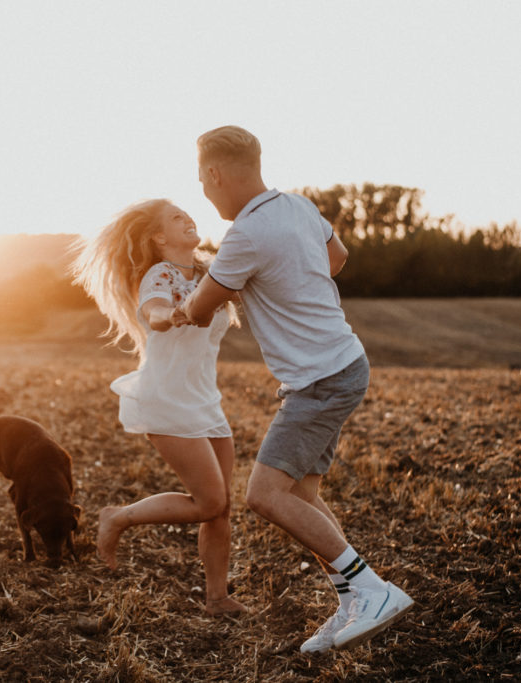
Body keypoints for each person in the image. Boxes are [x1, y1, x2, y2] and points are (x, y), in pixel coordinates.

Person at [179, 125, 413, 650]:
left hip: (319, 380)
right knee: (302, 495)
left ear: (215, 173)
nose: (203, 190)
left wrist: (175, 308)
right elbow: (338, 259)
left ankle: (373, 589)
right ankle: (352, 598)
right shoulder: (299, 207)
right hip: (344, 363)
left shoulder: (244, 234)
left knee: (263, 496)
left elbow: (198, 309)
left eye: (201, 179)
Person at [71, 198, 247, 616]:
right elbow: (155, 313)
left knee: (220, 508)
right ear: (158, 237)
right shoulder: (160, 273)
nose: (187, 218)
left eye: (187, 214)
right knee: (208, 502)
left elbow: (250, 285)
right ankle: (118, 517)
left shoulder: (207, 272)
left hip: (206, 399)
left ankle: (217, 599)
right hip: (166, 399)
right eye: (175, 217)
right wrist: (176, 312)